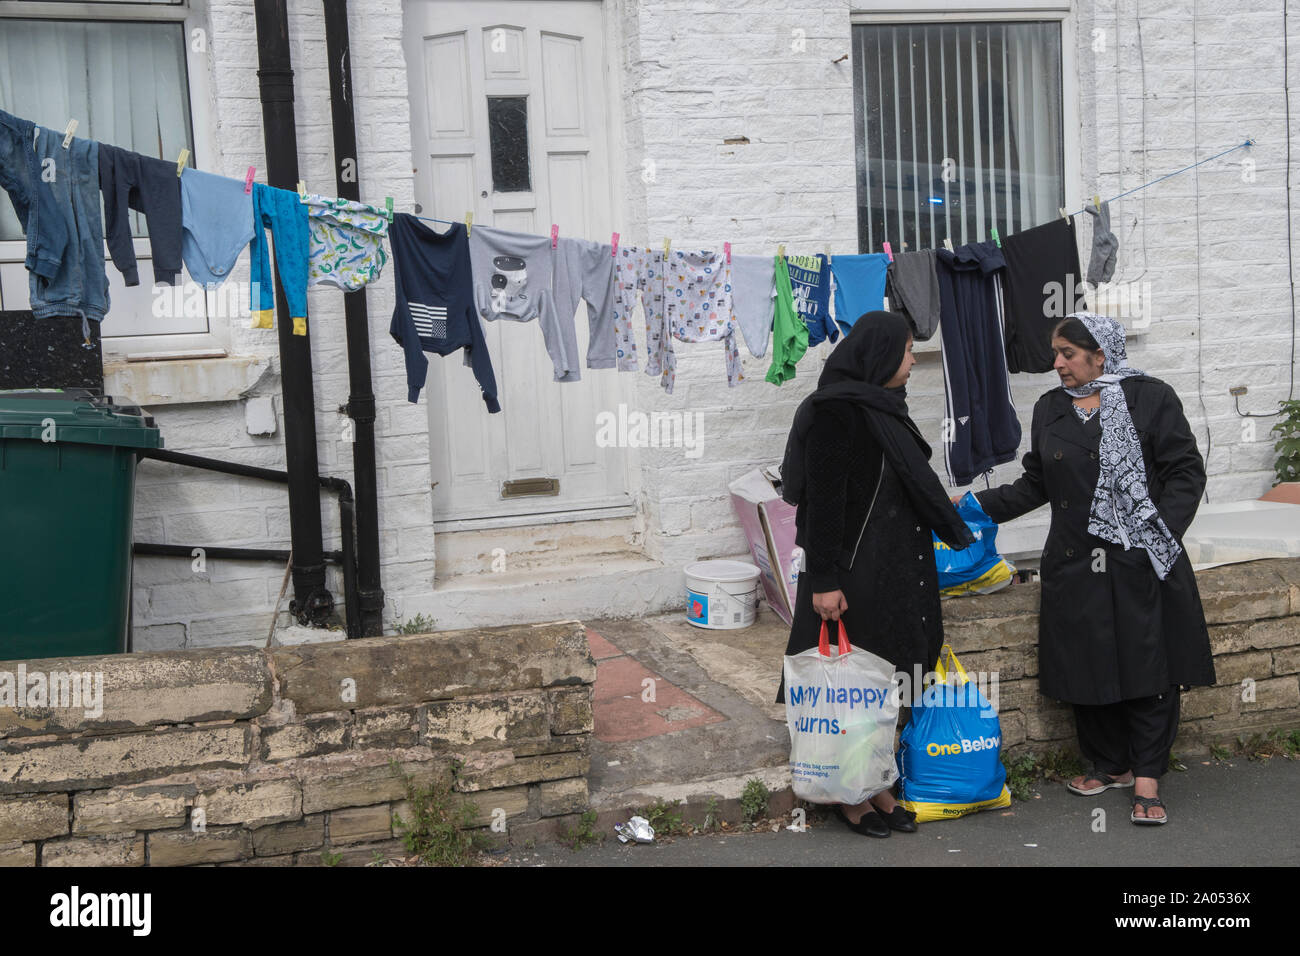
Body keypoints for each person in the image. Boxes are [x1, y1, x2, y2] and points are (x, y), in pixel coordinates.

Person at [974, 312, 1216, 825]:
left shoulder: (1149, 399)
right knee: (1087, 661)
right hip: (1074, 557)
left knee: (1150, 663)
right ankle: (1109, 764)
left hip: (1142, 556)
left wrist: (1158, 534)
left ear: (1100, 355)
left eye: (1067, 354)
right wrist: (969, 507)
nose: (1056, 363)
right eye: (1055, 353)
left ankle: (1147, 773)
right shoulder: (1049, 409)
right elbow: (1035, 484)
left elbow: (1184, 472)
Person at [777, 311, 975, 838]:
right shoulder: (836, 414)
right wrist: (824, 580)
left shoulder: (885, 407)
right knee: (853, 687)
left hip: (894, 566)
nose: (913, 361)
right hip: (851, 574)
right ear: (880, 356)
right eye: (908, 351)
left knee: (883, 682)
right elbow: (823, 504)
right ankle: (852, 796)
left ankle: (877, 785)